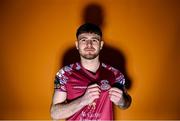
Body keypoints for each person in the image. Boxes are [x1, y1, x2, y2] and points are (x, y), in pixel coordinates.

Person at [50, 23, 131, 120]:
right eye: (84, 40)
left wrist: (122, 101)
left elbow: (126, 104)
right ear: (77, 45)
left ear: (101, 45)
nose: (89, 44)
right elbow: (55, 114)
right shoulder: (64, 74)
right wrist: (83, 100)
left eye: (94, 40)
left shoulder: (115, 74)